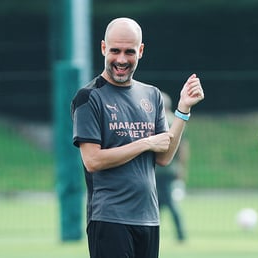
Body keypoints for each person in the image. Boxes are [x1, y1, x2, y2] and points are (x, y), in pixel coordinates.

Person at [71, 17, 204, 258]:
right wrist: (146, 143)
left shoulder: (152, 95)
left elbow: (163, 156)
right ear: (103, 48)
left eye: (129, 52)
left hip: (148, 219)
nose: (121, 59)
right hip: (109, 219)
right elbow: (93, 161)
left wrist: (183, 110)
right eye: (115, 51)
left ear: (140, 51)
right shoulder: (88, 97)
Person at [155, 92, 189, 242]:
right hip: (170, 169)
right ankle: (155, 230)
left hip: (159, 170)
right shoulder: (175, 121)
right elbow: (183, 148)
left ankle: (180, 234)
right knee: (161, 202)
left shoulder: (159, 121)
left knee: (164, 202)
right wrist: (181, 168)